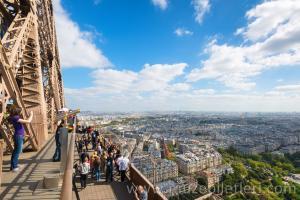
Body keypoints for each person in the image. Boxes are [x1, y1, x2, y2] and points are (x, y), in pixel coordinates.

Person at [10, 107, 33, 172]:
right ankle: (14, 167)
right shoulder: (16, 118)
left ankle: (14, 165)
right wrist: (31, 115)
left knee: (16, 151)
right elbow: (28, 121)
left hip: (19, 136)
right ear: (17, 112)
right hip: (18, 136)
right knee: (17, 152)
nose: (21, 112)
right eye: (20, 111)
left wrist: (25, 135)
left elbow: (19, 128)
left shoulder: (15, 117)